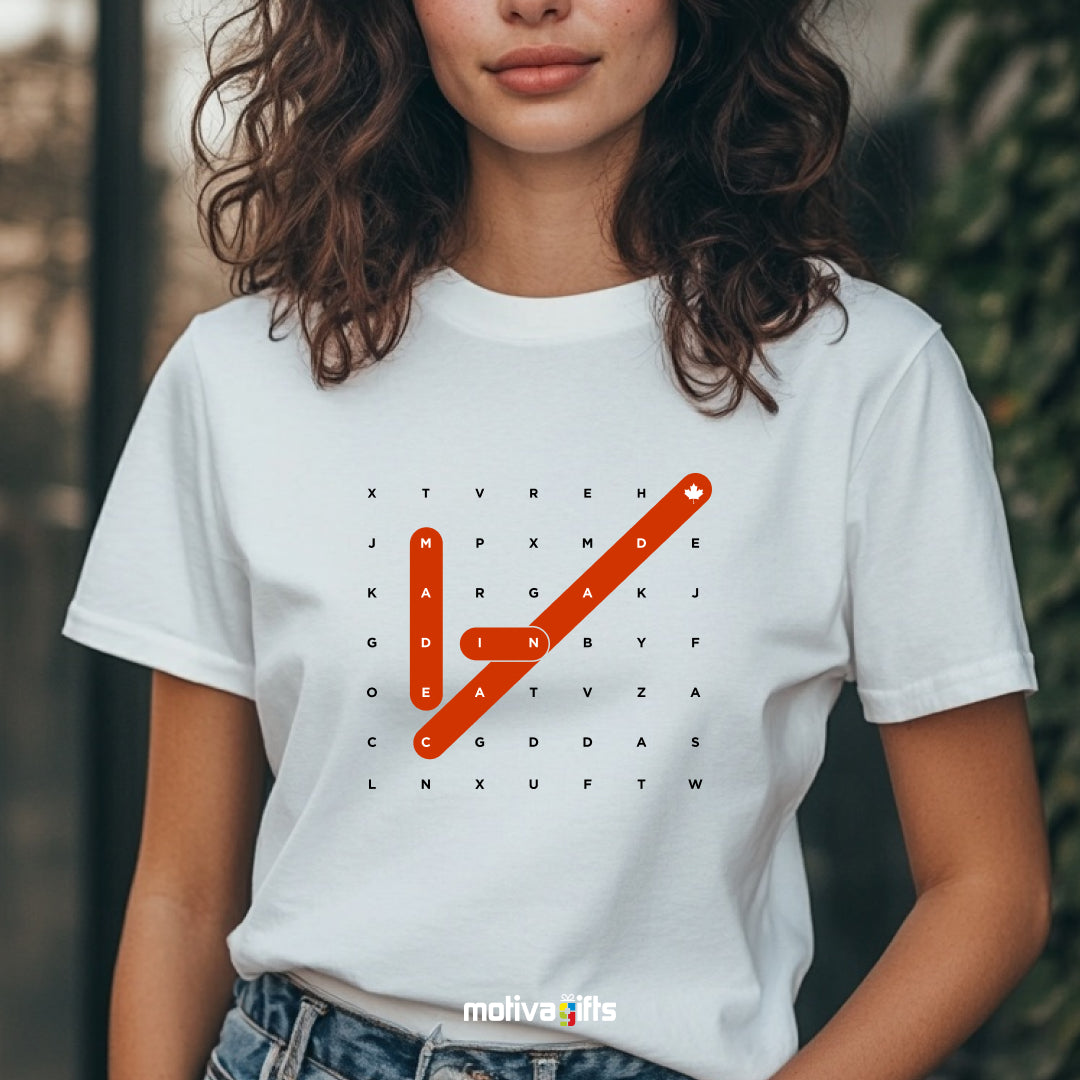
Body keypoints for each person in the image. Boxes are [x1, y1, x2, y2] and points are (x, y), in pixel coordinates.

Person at [59, 0, 1052, 1079]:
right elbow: (180, 895)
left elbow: (990, 889)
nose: (534, 4)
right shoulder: (239, 378)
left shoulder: (866, 378)